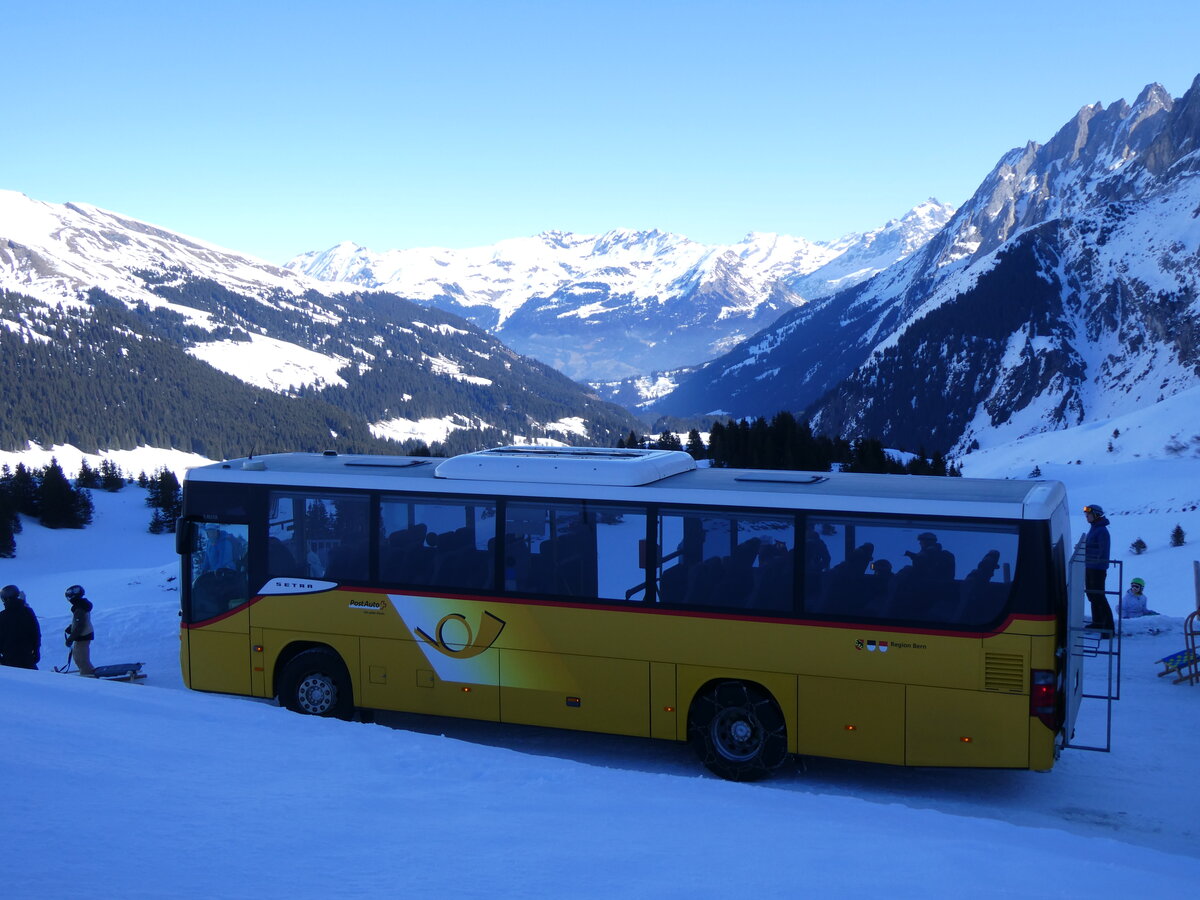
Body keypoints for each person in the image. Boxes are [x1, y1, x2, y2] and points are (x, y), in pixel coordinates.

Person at [1083, 504, 1115, 633]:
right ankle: (1097, 622)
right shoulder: (1094, 528)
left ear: (1095, 515)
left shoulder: (1102, 531)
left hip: (1097, 568)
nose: (1086, 517)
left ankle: (1108, 627)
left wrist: (1085, 550)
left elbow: (1101, 551)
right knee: (1092, 596)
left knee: (1099, 596)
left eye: (1088, 515)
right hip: (1089, 566)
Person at [0, 584, 41, 669]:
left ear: (4, 599)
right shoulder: (28, 612)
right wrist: (36, 651)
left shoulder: (2, 616)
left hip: (8, 660)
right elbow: (35, 633)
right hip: (28, 658)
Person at [63, 584, 96, 676]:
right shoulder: (81, 606)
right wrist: (71, 627)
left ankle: (88, 677)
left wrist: (70, 639)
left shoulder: (80, 608)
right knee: (79, 658)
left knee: (82, 661)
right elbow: (79, 623)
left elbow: (80, 626)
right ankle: (88, 674)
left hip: (82, 636)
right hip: (82, 636)